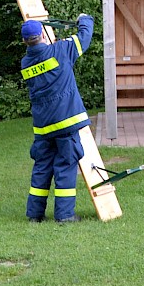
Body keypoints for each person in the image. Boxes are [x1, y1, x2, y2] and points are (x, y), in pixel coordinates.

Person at [20, 14, 94, 223]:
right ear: (43, 34)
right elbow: (84, 37)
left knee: (42, 167)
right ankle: (65, 215)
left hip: (43, 126)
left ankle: (34, 214)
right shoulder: (61, 50)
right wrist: (84, 19)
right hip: (66, 122)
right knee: (65, 165)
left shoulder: (26, 62)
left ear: (25, 41)